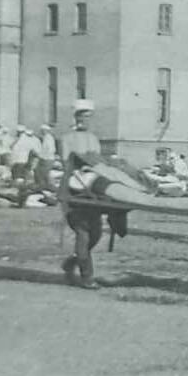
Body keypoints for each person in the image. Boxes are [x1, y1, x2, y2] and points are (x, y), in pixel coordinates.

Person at [60, 100, 103, 288]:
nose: (86, 120)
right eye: (83, 116)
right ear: (76, 117)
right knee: (83, 233)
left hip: (92, 190)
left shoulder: (93, 138)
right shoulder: (67, 138)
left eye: (89, 117)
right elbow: (66, 163)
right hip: (75, 190)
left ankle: (73, 262)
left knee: (96, 234)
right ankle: (87, 277)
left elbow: (98, 161)